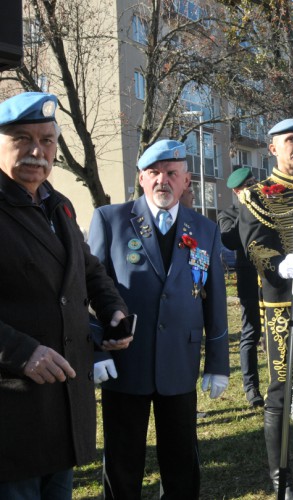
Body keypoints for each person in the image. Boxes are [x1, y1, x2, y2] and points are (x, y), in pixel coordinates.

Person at [0, 92, 129, 497]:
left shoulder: (58, 204)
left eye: (47, 140)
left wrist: (112, 308)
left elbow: (87, 269)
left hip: (63, 403)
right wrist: (21, 352)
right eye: (22, 138)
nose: (38, 151)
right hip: (13, 408)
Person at [88, 139, 230, 499]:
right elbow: (88, 290)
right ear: (141, 178)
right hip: (125, 361)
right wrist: (97, 350)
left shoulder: (204, 229)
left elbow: (213, 301)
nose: (162, 181)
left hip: (179, 364)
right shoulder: (111, 220)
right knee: (123, 461)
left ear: (186, 181)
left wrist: (218, 362)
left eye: (171, 173)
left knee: (182, 460)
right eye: (153, 173)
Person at [238, 118, 293, 498]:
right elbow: (254, 246)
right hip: (284, 306)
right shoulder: (259, 195)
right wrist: (279, 263)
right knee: (281, 391)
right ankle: (282, 478)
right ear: (273, 149)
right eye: (290, 140)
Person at [218, 166, 263, 408]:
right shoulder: (229, 214)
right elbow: (229, 239)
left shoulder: (268, 205)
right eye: (248, 186)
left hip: (275, 278)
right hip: (249, 280)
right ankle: (251, 387)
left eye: (255, 183)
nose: (254, 188)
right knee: (250, 332)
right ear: (237, 191)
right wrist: (247, 208)